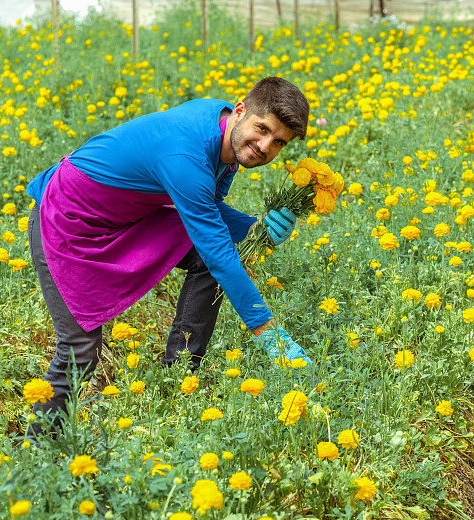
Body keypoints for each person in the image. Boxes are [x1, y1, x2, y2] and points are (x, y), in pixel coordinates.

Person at [25, 77, 310, 437]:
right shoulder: (186, 155)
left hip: (128, 218)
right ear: (240, 111)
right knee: (79, 349)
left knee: (208, 255)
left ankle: (178, 379)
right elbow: (217, 248)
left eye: (278, 142)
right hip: (68, 220)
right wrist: (264, 328)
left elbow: (208, 210)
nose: (264, 146)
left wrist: (257, 230)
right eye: (262, 129)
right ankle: (38, 450)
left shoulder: (224, 131)